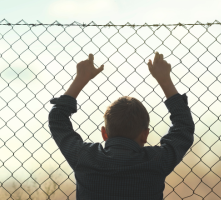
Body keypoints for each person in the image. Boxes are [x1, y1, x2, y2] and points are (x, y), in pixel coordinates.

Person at [48, 52, 195, 200]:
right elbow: (184, 127)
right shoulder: (156, 161)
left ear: (104, 133)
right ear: (145, 135)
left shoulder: (85, 157)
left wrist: (80, 79)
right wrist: (165, 80)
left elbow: (57, 120)